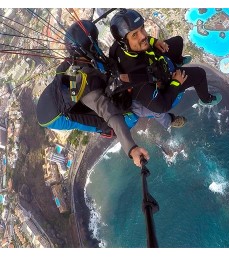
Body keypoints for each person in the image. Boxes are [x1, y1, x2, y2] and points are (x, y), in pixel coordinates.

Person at [36, 19, 148, 167]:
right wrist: (131, 148)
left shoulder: (78, 60)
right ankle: (103, 129)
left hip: (53, 93)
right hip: (52, 116)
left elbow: (61, 71)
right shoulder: (87, 85)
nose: (97, 46)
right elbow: (112, 116)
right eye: (94, 43)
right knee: (121, 120)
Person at [108, 9, 222, 119]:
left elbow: (142, 39)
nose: (143, 36)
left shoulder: (118, 46)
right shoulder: (138, 82)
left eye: (142, 28)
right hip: (164, 79)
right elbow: (162, 106)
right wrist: (176, 83)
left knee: (178, 41)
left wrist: (154, 41)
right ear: (124, 42)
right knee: (200, 74)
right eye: (134, 35)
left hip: (153, 62)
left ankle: (178, 61)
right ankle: (206, 99)